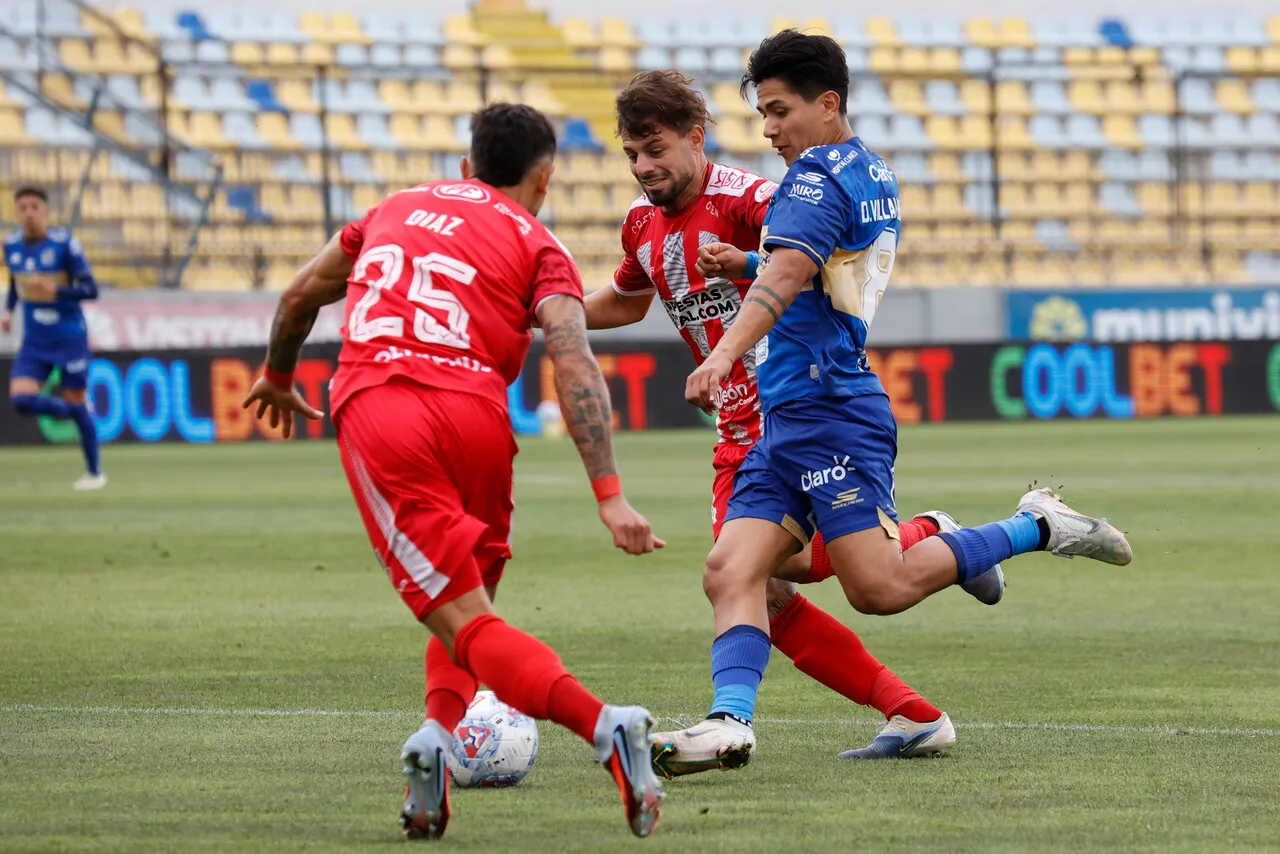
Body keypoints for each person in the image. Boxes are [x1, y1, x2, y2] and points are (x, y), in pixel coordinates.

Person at [656, 30, 1134, 770]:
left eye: (780, 111)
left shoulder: (812, 178)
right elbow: (831, 273)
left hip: (830, 408)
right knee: (732, 570)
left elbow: (789, 279)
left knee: (877, 588)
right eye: (762, 115)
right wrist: (751, 259)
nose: (769, 128)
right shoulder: (866, 168)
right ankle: (729, 721)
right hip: (790, 417)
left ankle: (1035, 525)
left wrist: (722, 351)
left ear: (828, 103)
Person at [241, 104, 666, 841]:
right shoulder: (541, 243)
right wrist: (609, 493)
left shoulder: (393, 208)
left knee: (462, 618)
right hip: (479, 415)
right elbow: (573, 361)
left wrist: (279, 374)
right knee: (473, 607)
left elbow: (298, 295)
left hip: (387, 407)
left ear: (468, 167)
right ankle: (436, 749)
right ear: (545, 178)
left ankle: (607, 728)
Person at [585, 69, 1001, 771]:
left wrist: (737, 304)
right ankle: (911, 701)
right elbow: (626, 300)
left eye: (654, 148)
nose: (644, 166)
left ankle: (926, 571)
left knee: (764, 579)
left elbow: (808, 268)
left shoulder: (755, 199)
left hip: (801, 410)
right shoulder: (640, 224)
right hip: (739, 435)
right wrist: (541, 309)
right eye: (631, 154)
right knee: (765, 582)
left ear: (695, 138)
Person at [2, 186, 104, 490]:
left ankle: (94, 473)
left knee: (74, 396)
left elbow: (91, 290)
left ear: (45, 211)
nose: (29, 213)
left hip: (69, 338)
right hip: (35, 342)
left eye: (35, 206)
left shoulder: (65, 245)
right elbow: (15, 282)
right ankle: (75, 412)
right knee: (21, 399)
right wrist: (8, 310)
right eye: (23, 207)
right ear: (16, 212)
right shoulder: (10, 245)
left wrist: (57, 290)